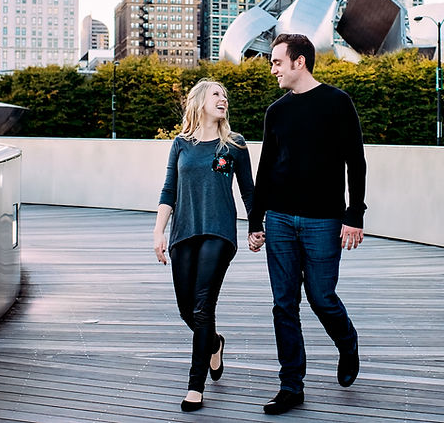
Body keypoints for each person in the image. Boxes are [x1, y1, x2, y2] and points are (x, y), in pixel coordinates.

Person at [247, 33, 367, 415]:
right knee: (284, 304)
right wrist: (255, 220)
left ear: (300, 62)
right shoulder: (276, 112)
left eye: (277, 62)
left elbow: (356, 163)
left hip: (323, 220)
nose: (273, 69)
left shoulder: (337, 103)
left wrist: (354, 215)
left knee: (321, 296)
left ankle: (347, 344)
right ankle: (291, 386)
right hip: (280, 219)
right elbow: (265, 169)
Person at [153, 80, 254, 412]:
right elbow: (169, 190)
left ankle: (195, 386)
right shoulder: (181, 144)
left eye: (225, 96)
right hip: (184, 233)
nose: (223, 99)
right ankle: (214, 344)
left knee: (201, 307)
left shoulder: (235, 145)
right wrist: (159, 232)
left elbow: (249, 193)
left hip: (219, 232)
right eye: (216, 95)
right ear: (199, 102)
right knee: (187, 309)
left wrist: (256, 227)